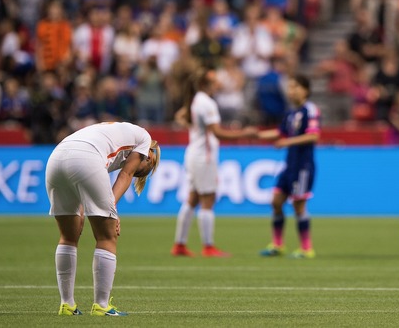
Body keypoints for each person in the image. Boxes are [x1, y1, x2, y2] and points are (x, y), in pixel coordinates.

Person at [46, 122, 160, 316]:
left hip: (57, 157)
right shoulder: (145, 139)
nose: (138, 171)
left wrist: (83, 207)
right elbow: (126, 174)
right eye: (144, 169)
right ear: (150, 156)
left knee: (68, 236)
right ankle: (101, 305)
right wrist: (112, 211)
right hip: (85, 158)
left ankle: (67, 304)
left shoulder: (117, 134)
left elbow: (82, 177)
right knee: (107, 236)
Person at [171, 68, 258, 257]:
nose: (218, 83)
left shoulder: (195, 101)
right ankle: (208, 246)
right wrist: (245, 133)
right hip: (205, 156)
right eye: (213, 80)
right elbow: (217, 132)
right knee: (208, 199)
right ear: (205, 84)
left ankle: (180, 244)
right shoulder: (207, 103)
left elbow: (181, 116)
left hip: (193, 152)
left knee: (192, 199)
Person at [258, 75, 320, 259]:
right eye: (290, 87)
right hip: (289, 165)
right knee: (276, 202)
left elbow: (314, 136)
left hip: (303, 166)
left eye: (295, 87)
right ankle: (278, 245)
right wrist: (257, 135)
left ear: (305, 90)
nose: (291, 91)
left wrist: (287, 142)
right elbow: (280, 133)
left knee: (299, 206)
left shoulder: (311, 110)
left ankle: (306, 248)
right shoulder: (291, 113)